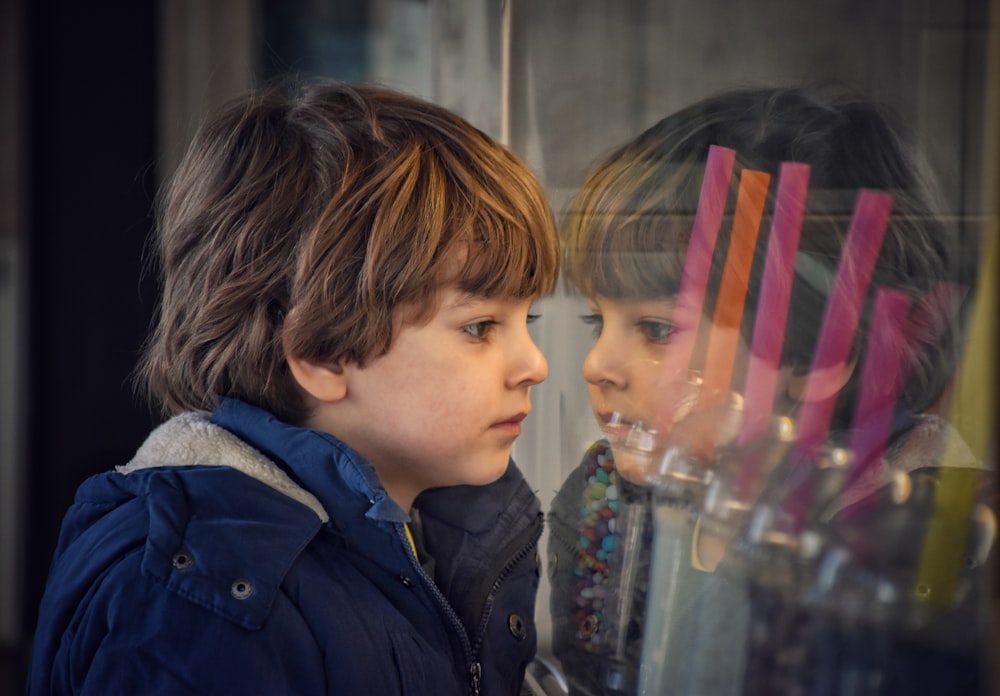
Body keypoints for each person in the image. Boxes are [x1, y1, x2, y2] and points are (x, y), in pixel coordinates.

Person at [27, 80, 560, 695]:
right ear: (322, 352)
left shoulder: (433, 532)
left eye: (529, 320)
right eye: (480, 326)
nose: (535, 364)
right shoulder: (202, 602)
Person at [547, 85, 993, 695]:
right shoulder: (601, 499)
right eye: (599, 321)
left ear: (816, 356)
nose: (597, 363)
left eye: (656, 329)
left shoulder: (912, 532)